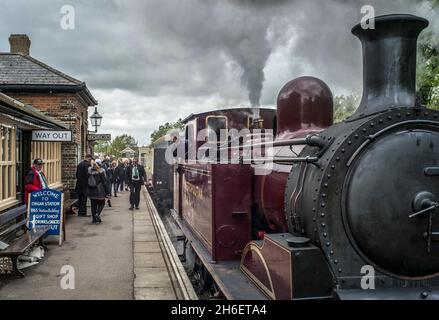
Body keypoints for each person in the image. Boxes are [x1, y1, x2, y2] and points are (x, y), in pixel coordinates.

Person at [87, 159, 110, 224]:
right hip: (100, 190)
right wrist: (108, 192)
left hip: (91, 190)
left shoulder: (89, 171)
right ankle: (97, 214)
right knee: (102, 203)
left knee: (93, 205)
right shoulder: (101, 171)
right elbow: (104, 182)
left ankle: (94, 219)